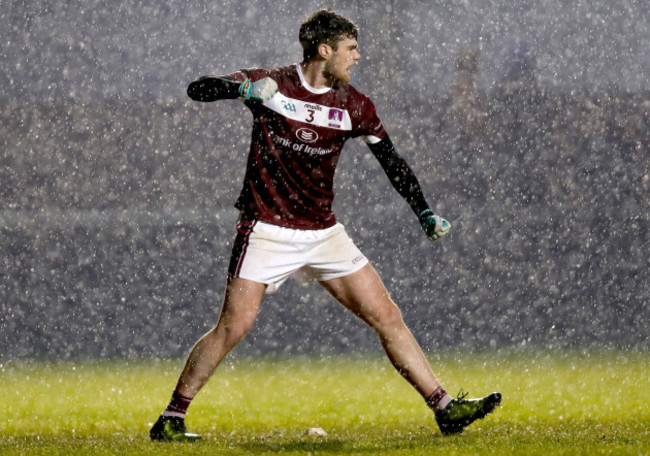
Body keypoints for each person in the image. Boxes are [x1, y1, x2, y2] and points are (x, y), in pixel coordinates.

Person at [150, 9, 501, 441]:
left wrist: (423, 211)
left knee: (386, 315)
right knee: (233, 327)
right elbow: (196, 89)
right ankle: (172, 418)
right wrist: (242, 89)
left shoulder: (355, 105)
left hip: (323, 232)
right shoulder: (273, 83)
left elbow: (393, 164)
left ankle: (444, 407)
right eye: (351, 49)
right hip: (266, 228)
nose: (357, 57)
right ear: (324, 50)